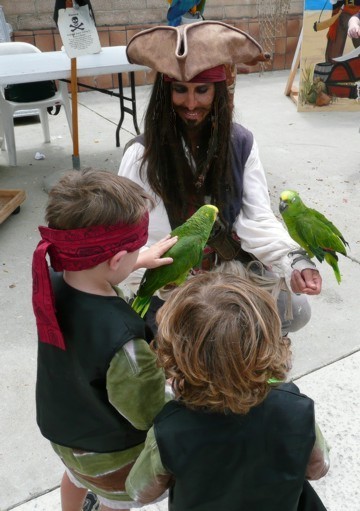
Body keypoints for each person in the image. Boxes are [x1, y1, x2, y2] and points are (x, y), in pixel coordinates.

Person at [118, 21, 322, 336]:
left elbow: (257, 219)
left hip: (229, 269)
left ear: (218, 90)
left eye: (201, 90)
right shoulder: (141, 155)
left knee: (296, 311)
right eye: (180, 90)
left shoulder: (241, 143)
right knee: (198, 342)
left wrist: (293, 262)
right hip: (170, 284)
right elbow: (138, 240)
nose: (190, 103)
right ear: (165, 92)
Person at [32, 169, 178, 511]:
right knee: (115, 502)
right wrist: (174, 387)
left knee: (75, 476)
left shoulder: (51, 281)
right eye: (135, 249)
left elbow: (95, 275)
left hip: (63, 431)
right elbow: (146, 413)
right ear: (114, 260)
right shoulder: (124, 341)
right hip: (109, 454)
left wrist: (134, 260)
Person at [124, 272, 330, 511]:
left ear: (176, 353)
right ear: (268, 341)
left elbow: (139, 493)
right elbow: (318, 468)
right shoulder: (296, 408)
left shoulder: (169, 430)